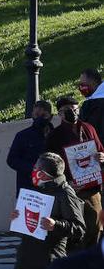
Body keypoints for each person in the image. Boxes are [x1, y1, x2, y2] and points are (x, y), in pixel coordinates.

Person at [45, 94, 104, 250]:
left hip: (92, 190)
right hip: (70, 192)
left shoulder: (88, 128)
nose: (72, 112)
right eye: (67, 110)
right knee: (75, 233)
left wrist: (102, 157)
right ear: (59, 114)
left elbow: (100, 151)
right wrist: (66, 182)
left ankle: (93, 265)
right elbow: (49, 165)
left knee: (95, 228)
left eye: (74, 109)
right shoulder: (54, 136)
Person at [7, 100, 53, 193]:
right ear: (32, 115)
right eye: (36, 115)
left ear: (51, 117)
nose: (40, 118)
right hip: (28, 187)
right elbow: (11, 160)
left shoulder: (55, 135)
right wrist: (33, 169)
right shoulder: (23, 136)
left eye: (44, 116)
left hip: (51, 187)